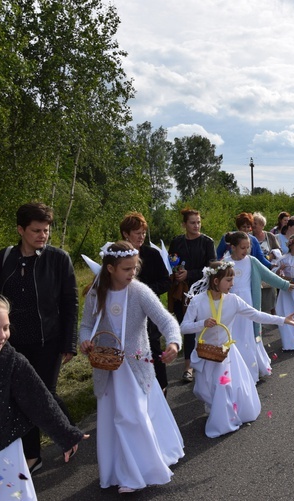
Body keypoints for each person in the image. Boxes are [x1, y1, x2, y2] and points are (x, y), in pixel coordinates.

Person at [79, 241, 184, 494]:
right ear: (110, 268)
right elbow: (85, 325)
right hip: (107, 367)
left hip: (135, 368)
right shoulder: (96, 292)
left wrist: (174, 342)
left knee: (131, 417)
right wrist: (83, 340)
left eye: (135, 268)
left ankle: (135, 473)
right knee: (115, 419)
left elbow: (165, 319)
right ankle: (119, 468)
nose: (132, 273)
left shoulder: (139, 291)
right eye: (127, 269)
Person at [0, 202, 78, 472]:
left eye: (46, 230)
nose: (43, 235)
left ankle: (69, 433)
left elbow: (70, 302)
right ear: (20, 230)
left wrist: (68, 342)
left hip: (48, 339)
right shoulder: (4, 258)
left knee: (45, 392)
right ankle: (33, 455)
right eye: (36, 230)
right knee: (19, 397)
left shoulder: (59, 259)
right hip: (10, 343)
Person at [0, 284, 87, 501]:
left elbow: (40, 400)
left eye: (6, 327)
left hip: (4, 453)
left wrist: (66, 434)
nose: (2, 336)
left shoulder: (12, 363)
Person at [180, 261, 294, 437]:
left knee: (224, 388)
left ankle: (223, 421)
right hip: (206, 354)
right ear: (215, 281)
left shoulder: (234, 300)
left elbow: (256, 315)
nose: (232, 284)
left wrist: (282, 320)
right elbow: (183, 327)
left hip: (225, 354)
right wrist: (202, 324)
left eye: (232, 280)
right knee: (205, 390)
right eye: (228, 280)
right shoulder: (198, 302)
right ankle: (219, 411)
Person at [224, 232, 294, 381]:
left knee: (248, 334)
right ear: (233, 247)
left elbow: (269, 276)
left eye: (248, 247)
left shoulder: (252, 261)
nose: (246, 251)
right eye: (242, 247)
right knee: (233, 335)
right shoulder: (225, 262)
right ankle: (234, 370)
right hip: (230, 304)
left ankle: (251, 370)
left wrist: (285, 285)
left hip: (248, 302)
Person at [120, 212, 172, 395]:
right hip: (127, 315)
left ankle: (161, 392)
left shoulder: (152, 254)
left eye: (143, 232)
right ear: (126, 234)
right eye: (137, 232)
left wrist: (145, 291)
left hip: (151, 313)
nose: (141, 236)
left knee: (154, 350)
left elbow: (166, 281)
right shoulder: (117, 256)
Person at [169, 208, 216, 383]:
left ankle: (209, 362)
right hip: (182, 292)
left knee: (204, 327)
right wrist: (176, 274)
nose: (196, 225)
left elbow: (212, 269)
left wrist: (189, 273)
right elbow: (171, 262)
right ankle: (187, 367)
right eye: (192, 222)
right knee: (187, 327)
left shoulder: (207, 242)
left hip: (202, 291)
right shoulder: (177, 242)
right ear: (184, 224)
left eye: (198, 222)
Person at [251, 212, 282, 313]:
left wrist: (270, 257)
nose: (253, 225)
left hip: (267, 269)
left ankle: (273, 316)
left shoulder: (269, 236)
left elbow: (278, 250)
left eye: (256, 223)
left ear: (262, 225)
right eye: (252, 223)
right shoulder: (249, 237)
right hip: (254, 269)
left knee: (269, 294)